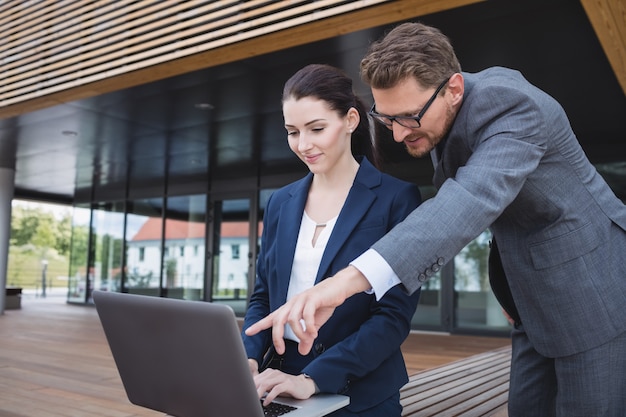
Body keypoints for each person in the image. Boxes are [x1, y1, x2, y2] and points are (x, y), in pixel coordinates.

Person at [246, 23, 626, 417]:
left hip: (592, 289)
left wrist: (340, 285)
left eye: (408, 118)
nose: (396, 134)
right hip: (532, 303)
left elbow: (468, 201)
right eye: (387, 118)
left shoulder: (513, 106)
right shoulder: (434, 115)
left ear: (454, 89)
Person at [241, 63, 422, 416]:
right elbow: (264, 297)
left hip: (360, 388)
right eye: (292, 132)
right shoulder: (281, 202)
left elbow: (392, 317)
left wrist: (312, 380)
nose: (303, 144)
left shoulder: (396, 199)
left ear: (351, 120)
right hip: (278, 379)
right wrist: (247, 359)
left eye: (317, 128)